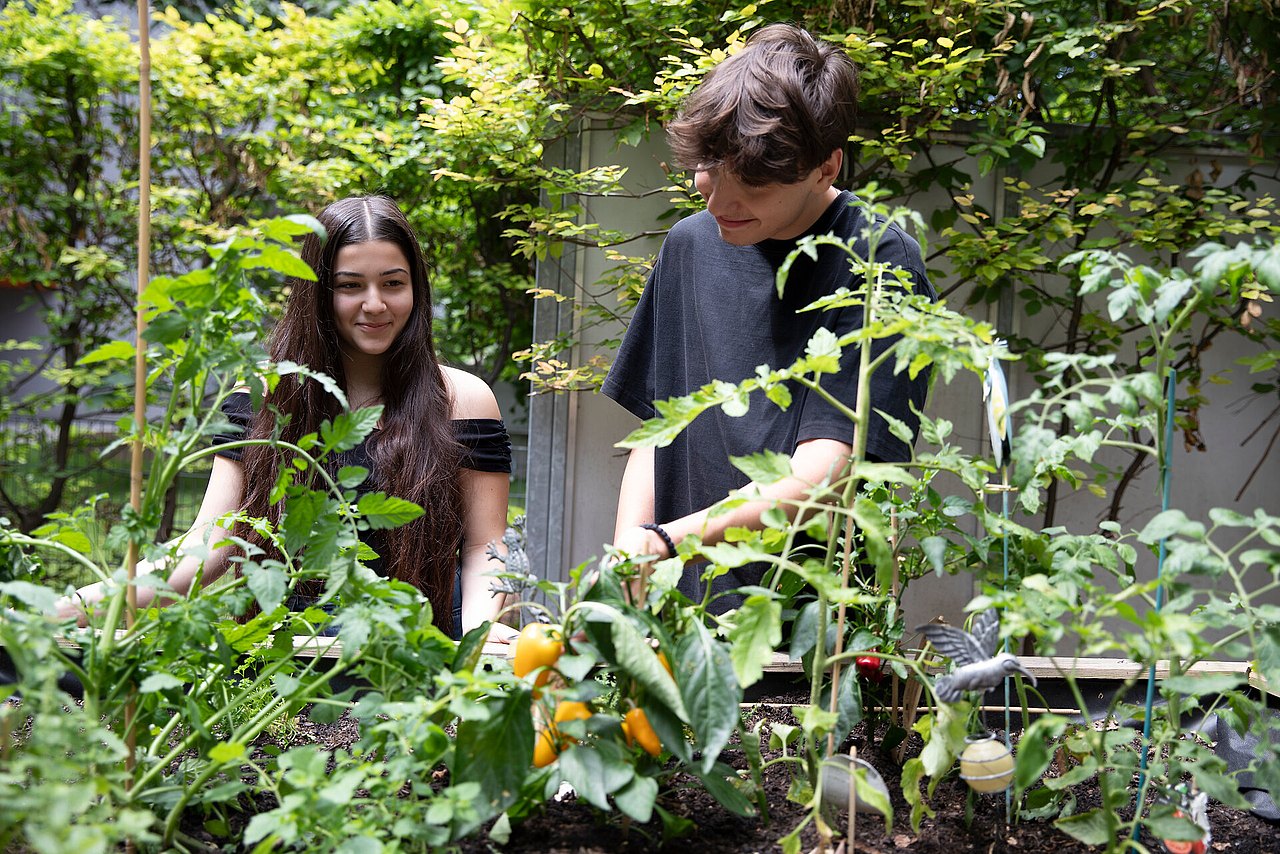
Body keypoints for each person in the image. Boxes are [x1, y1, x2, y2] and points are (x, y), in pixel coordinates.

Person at [59, 195, 514, 639]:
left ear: (415, 287)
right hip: (284, 664)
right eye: (350, 285)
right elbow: (211, 544)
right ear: (317, 293)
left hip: (416, 659)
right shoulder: (265, 395)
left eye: (393, 283)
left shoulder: (463, 400)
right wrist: (80, 605)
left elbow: (483, 547)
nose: (375, 304)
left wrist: (480, 639)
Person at [602, 24, 935, 614]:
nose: (718, 201)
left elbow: (823, 478)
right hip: (678, 610)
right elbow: (659, 431)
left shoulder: (877, 257)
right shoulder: (689, 245)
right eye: (709, 168)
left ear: (826, 168)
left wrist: (664, 543)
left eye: (752, 183)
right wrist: (630, 555)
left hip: (810, 638)